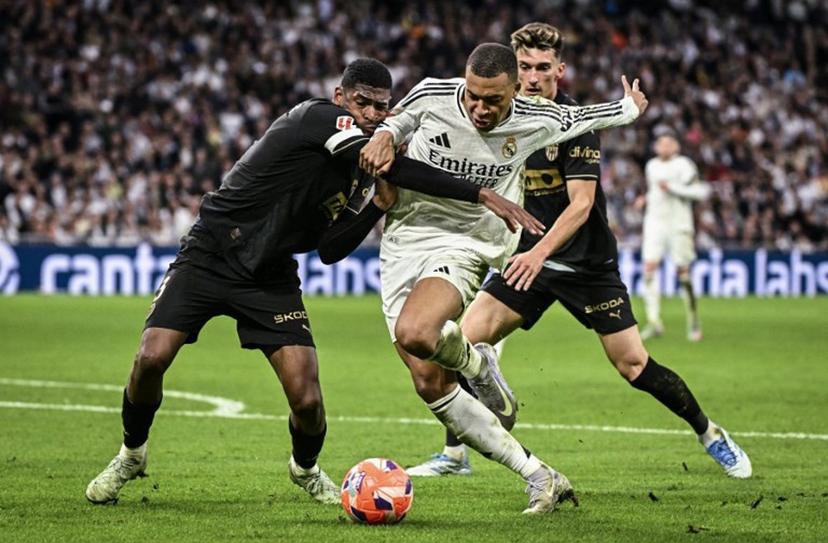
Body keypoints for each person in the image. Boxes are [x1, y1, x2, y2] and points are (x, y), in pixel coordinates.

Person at [84, 58, 543, 506]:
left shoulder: (360, 171)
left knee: (306, 399)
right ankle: (131, 454)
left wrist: (379, 206)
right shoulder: (319, 117)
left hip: (271, 273)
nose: (372, 114)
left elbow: (329, 249)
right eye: (363, 103)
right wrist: (481, 193)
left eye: (381, 107)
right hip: (210, 254)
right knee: (151, 357)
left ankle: (304, 469)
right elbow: (393, 167)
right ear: (341, 97)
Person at [403, 23, 751, 481]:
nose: (533, 77)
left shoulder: (574, 123)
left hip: (586, 265)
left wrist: (538, 253)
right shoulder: (498, 118)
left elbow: (581, 206)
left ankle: (709, 433)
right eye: (524, 67)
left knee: (633, 365)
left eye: (542, 67)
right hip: (526, 260)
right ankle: (455, 454)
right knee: (460, 345)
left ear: (559, 70)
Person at [359, 42, 648, 514]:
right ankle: (539, 474)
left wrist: (629, 108)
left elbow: (586, 118)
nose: (480, 108)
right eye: (473, 96)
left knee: (416, 332)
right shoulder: (433, 94)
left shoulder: (538, 118)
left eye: (493, 100)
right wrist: (385, 136)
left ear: (515, 91)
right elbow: (398, 122)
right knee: (429, 383)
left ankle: (474, 364)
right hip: (404, 240)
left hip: (469, 241)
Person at [640, 132, 711, 341]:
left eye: (668, 143)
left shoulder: (684, 165)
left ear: (676, 147)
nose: (663, 146)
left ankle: (693, 321)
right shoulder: (651, 166)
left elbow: (701, 192)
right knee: (649, 269)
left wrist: (672, 188)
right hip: (654, 223)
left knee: (683, 273)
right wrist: (645, 199)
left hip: (679, 224)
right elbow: (655, 191)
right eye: (660, 143)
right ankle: (654, 322)